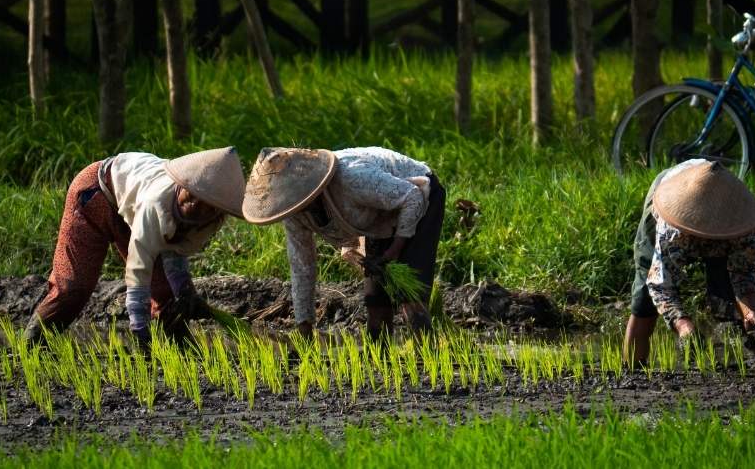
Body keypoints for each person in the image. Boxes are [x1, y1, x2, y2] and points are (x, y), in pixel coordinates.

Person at [24, 148, 246, 346]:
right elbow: (138, 271)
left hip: (131, 207)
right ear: (184, 186)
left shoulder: (211, 219)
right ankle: (32, 345)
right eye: (193, 198)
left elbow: (174, 247)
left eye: (206, 204)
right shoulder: (156, 203)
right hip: (96, 193)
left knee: (167, 293)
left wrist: (183, 288)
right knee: (74, 286)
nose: (195, 206)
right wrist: (139, 328)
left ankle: (181, 353)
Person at [242, 146, 445, 340]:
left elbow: (412, 198)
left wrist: (394, 250)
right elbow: (302, 266)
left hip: (419, 196)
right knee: (375, 301)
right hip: (378, 218)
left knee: (410, 298)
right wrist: (304, 327)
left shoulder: (351, 177)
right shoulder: (294, 213)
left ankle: (427, 364)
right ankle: (378, 366)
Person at [622, 159, 755, 364]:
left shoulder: (742, 226)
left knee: (728, 292)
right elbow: (660, 284)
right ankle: (631, 370)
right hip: (676, 194)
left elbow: (743, 276)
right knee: (644, 300)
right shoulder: (672, 227)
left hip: (720, 210)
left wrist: (750, 311)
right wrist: (682, 324)